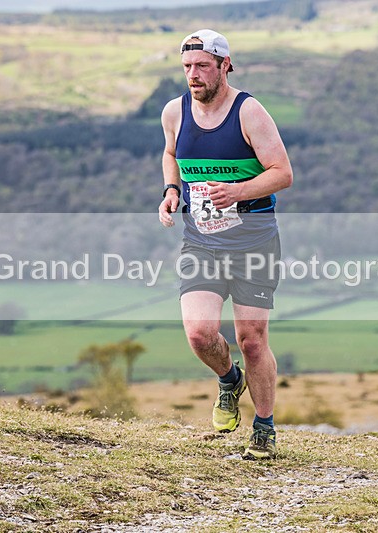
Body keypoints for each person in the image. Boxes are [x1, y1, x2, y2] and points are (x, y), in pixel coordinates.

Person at [157, 29, 293, 459]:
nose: (193, 76)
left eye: (201, 66)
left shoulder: (249, 112)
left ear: (224, 65)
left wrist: (238, 192)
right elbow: (170, 153)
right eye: (186, 68)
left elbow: (283, 173)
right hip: (202, 241)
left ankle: (265, 427)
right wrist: (171, 190)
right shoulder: (174, 112)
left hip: (254, 238)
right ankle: (229, 379)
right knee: (199, 334)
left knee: (252, 337)